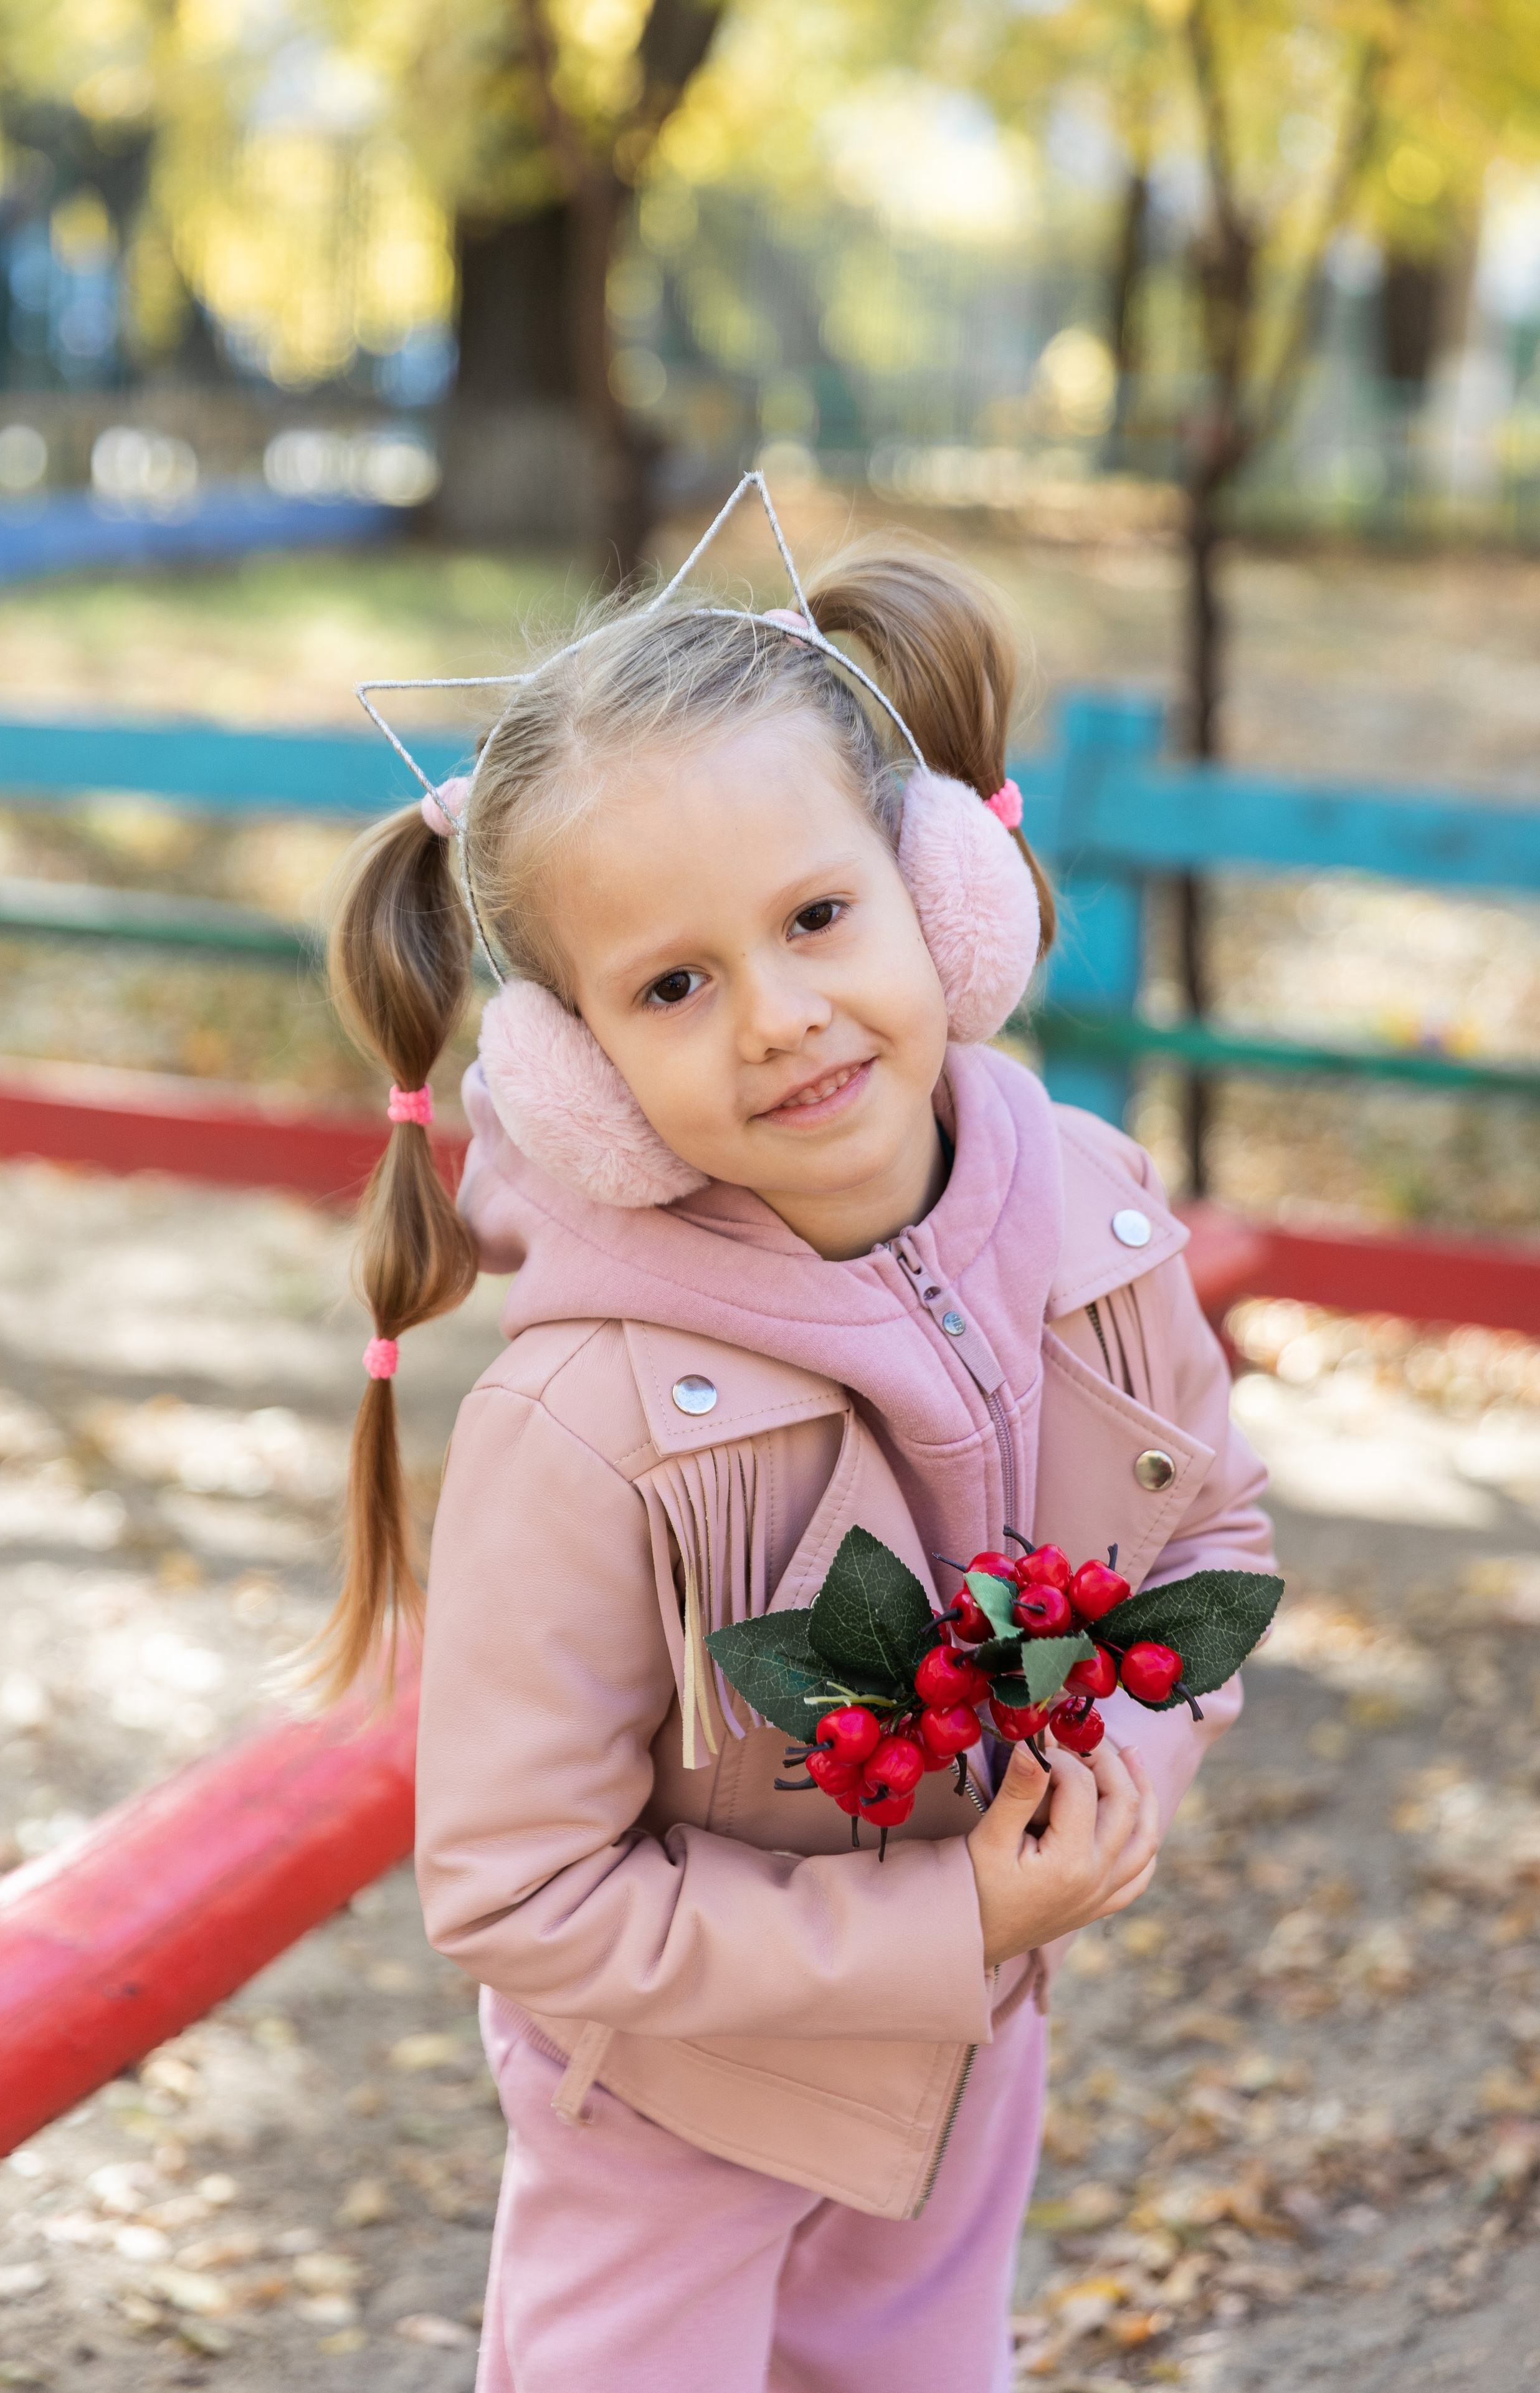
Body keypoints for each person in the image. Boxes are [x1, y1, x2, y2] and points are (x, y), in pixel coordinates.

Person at [320, 499, 1274, 2392]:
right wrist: (943, 1916)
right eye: (673, 986)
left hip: (970, 2046)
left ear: (941, 889)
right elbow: (516, 1892)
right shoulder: (581, 1427)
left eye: (819, 917)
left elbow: (1208, 1540)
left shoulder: (1095, 1211)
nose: (780, 1019)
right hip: (678, 2110)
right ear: (576, 1073)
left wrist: (1125, 1790)